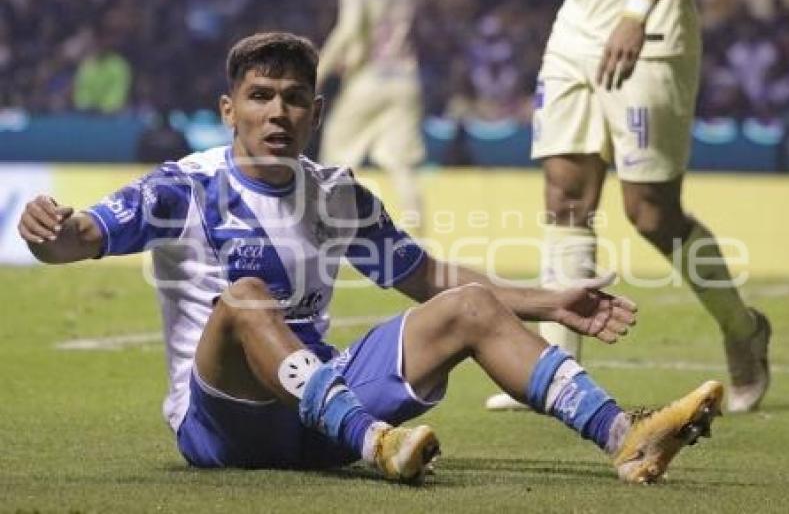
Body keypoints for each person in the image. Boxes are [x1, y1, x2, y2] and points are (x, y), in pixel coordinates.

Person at [18, 32, 723, 485]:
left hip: (318, 403)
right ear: (228, 109)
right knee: (246, 298)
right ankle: (377, 442)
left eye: (294, 100)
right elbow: (77, 238)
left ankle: (623, 435)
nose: (277, 113)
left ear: (317, 113)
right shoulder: (184, 187)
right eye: (259, 97)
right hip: (222, 421)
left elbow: (426, 278)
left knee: (469, 307)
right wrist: (49, 231)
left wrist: (547, 298)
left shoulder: (337, 195)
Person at [486, 0, 770, 414]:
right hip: (574, 32)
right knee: (564, 197)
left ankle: (743, 329)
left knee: (652, 214)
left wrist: (636, 12)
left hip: (648, 32)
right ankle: (552, 374)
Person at [317, 0, 425, 232]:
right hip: (405, 78)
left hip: (369, 81)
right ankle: (418, 236)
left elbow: (350, 31)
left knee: (334, 154)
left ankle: (327, 233)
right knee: (400, 162)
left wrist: (317, 73)